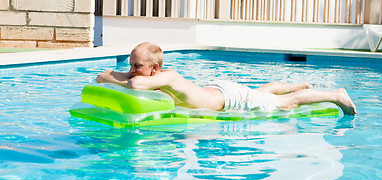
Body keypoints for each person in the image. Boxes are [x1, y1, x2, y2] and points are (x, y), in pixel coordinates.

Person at [97, 42, 356, 115]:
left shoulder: (168, 76)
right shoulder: (152, 76)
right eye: (130, 64)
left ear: (154, 68)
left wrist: (123, 78)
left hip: (230, 99)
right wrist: (120, 74)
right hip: (217, 90)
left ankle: (336, 95)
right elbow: (101, 75)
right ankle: (299, 83)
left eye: (136, 65)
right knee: (261, 91)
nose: (131, 69)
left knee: (287, 104)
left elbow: (135, 84)